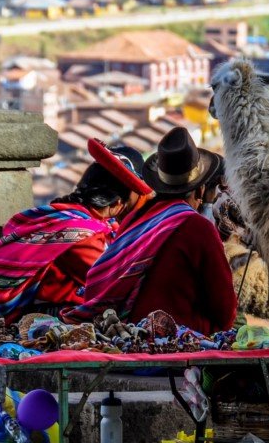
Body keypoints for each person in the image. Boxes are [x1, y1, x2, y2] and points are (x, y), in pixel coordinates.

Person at [63, 128, 237, 335]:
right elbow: (225, 313)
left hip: (125, 336)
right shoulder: (198, 226)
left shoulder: (134, 222)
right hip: (179, 342)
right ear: (199, 190)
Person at [0, 140, 152, 322]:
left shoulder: (61, 216)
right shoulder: (84, 235)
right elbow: (110, 281)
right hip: (49, 318)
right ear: (116, 203)